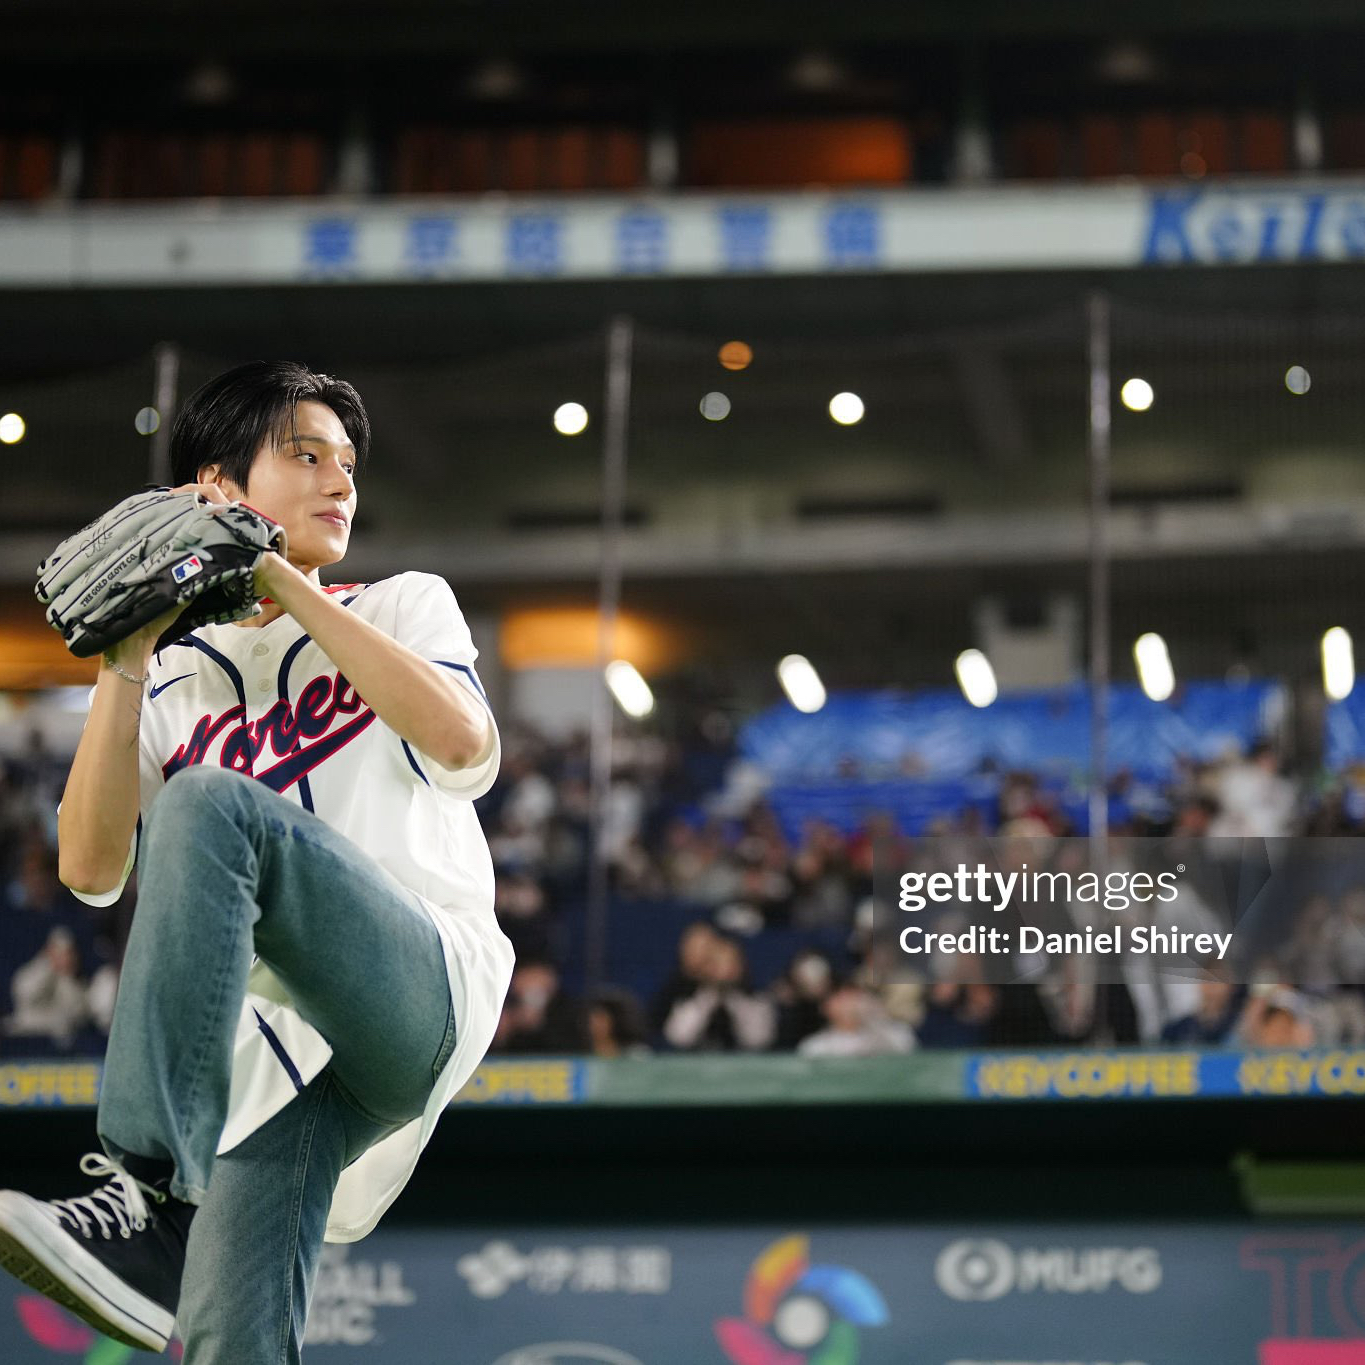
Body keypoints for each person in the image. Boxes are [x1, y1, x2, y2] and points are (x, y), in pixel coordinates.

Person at [0, 361, 514, 1362]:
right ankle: (161, 1235)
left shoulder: (402, 603)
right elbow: (89, 872)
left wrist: (275, 572)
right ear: (217, 489)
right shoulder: (172, 681)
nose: (340, 482)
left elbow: (463, 749)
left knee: (209, 804)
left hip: (414, 986)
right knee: (224, 1340)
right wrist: (125, 656)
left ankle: (145, 1189)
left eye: (348, 465)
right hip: (268, 1072)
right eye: (306, 455)